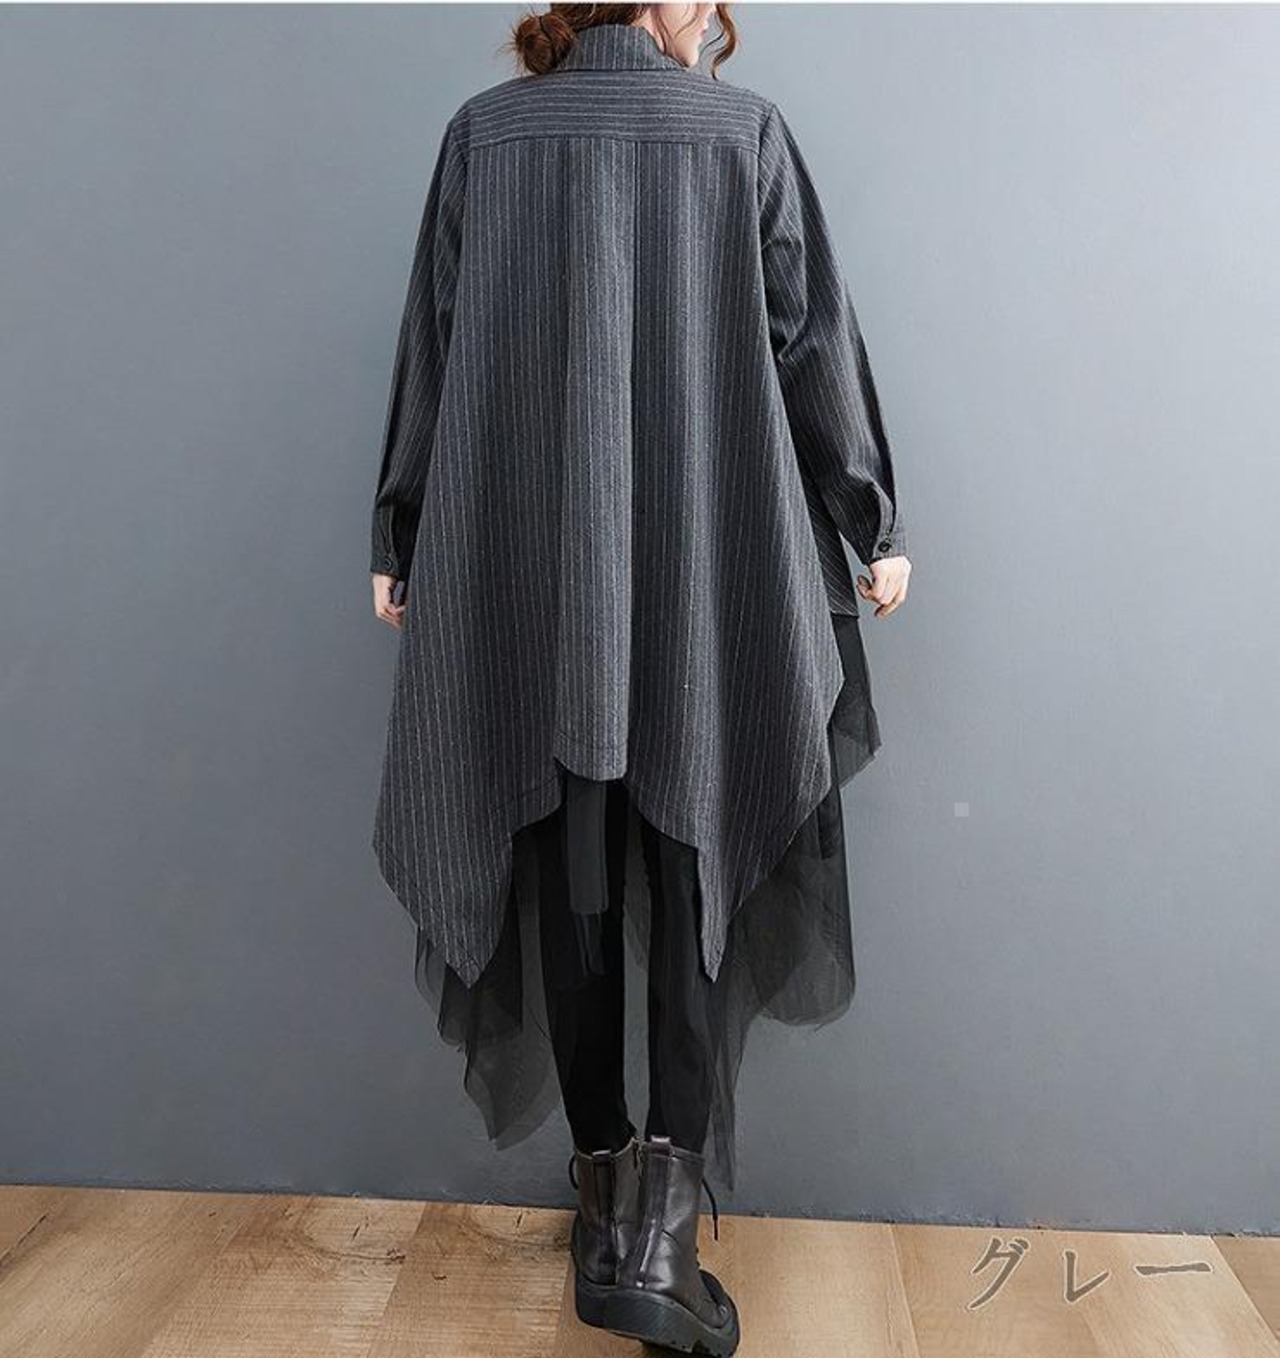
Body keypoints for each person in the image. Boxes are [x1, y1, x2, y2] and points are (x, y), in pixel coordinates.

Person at [368, 5, 911, 1352]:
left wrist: (401, 531)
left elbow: (434, 343)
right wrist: (870, 514)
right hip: (701, 567)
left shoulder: (485, 137)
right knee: (692, 852)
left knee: (565, 857)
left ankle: (607, 1199)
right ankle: (657, 1233)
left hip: (527, 572)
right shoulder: (740, 136)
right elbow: (808, 337)